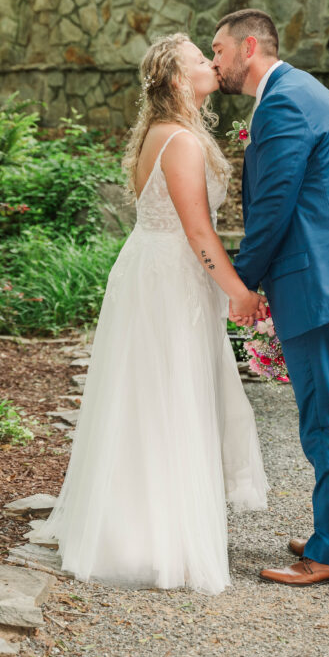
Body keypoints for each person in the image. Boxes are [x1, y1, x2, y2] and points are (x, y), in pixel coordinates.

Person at [43, 33, 268, 595]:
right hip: (170, 278)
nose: (211, 64)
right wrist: (239, 293)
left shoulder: (161, 133)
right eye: (200, 59)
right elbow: (198, 231)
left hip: (153, 270)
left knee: (149, 396)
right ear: (175, 79)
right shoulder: (181, 142)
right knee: (170, 395)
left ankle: (134, 528)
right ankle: (163, 538)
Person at [212, 9, 329, 587]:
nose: (213, 59)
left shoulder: (285, 103)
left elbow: (272, 208)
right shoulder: (299, 90)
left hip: (325, 283)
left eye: (217, 49)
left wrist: (240, 285)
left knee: (327, 421)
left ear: (249, 47)